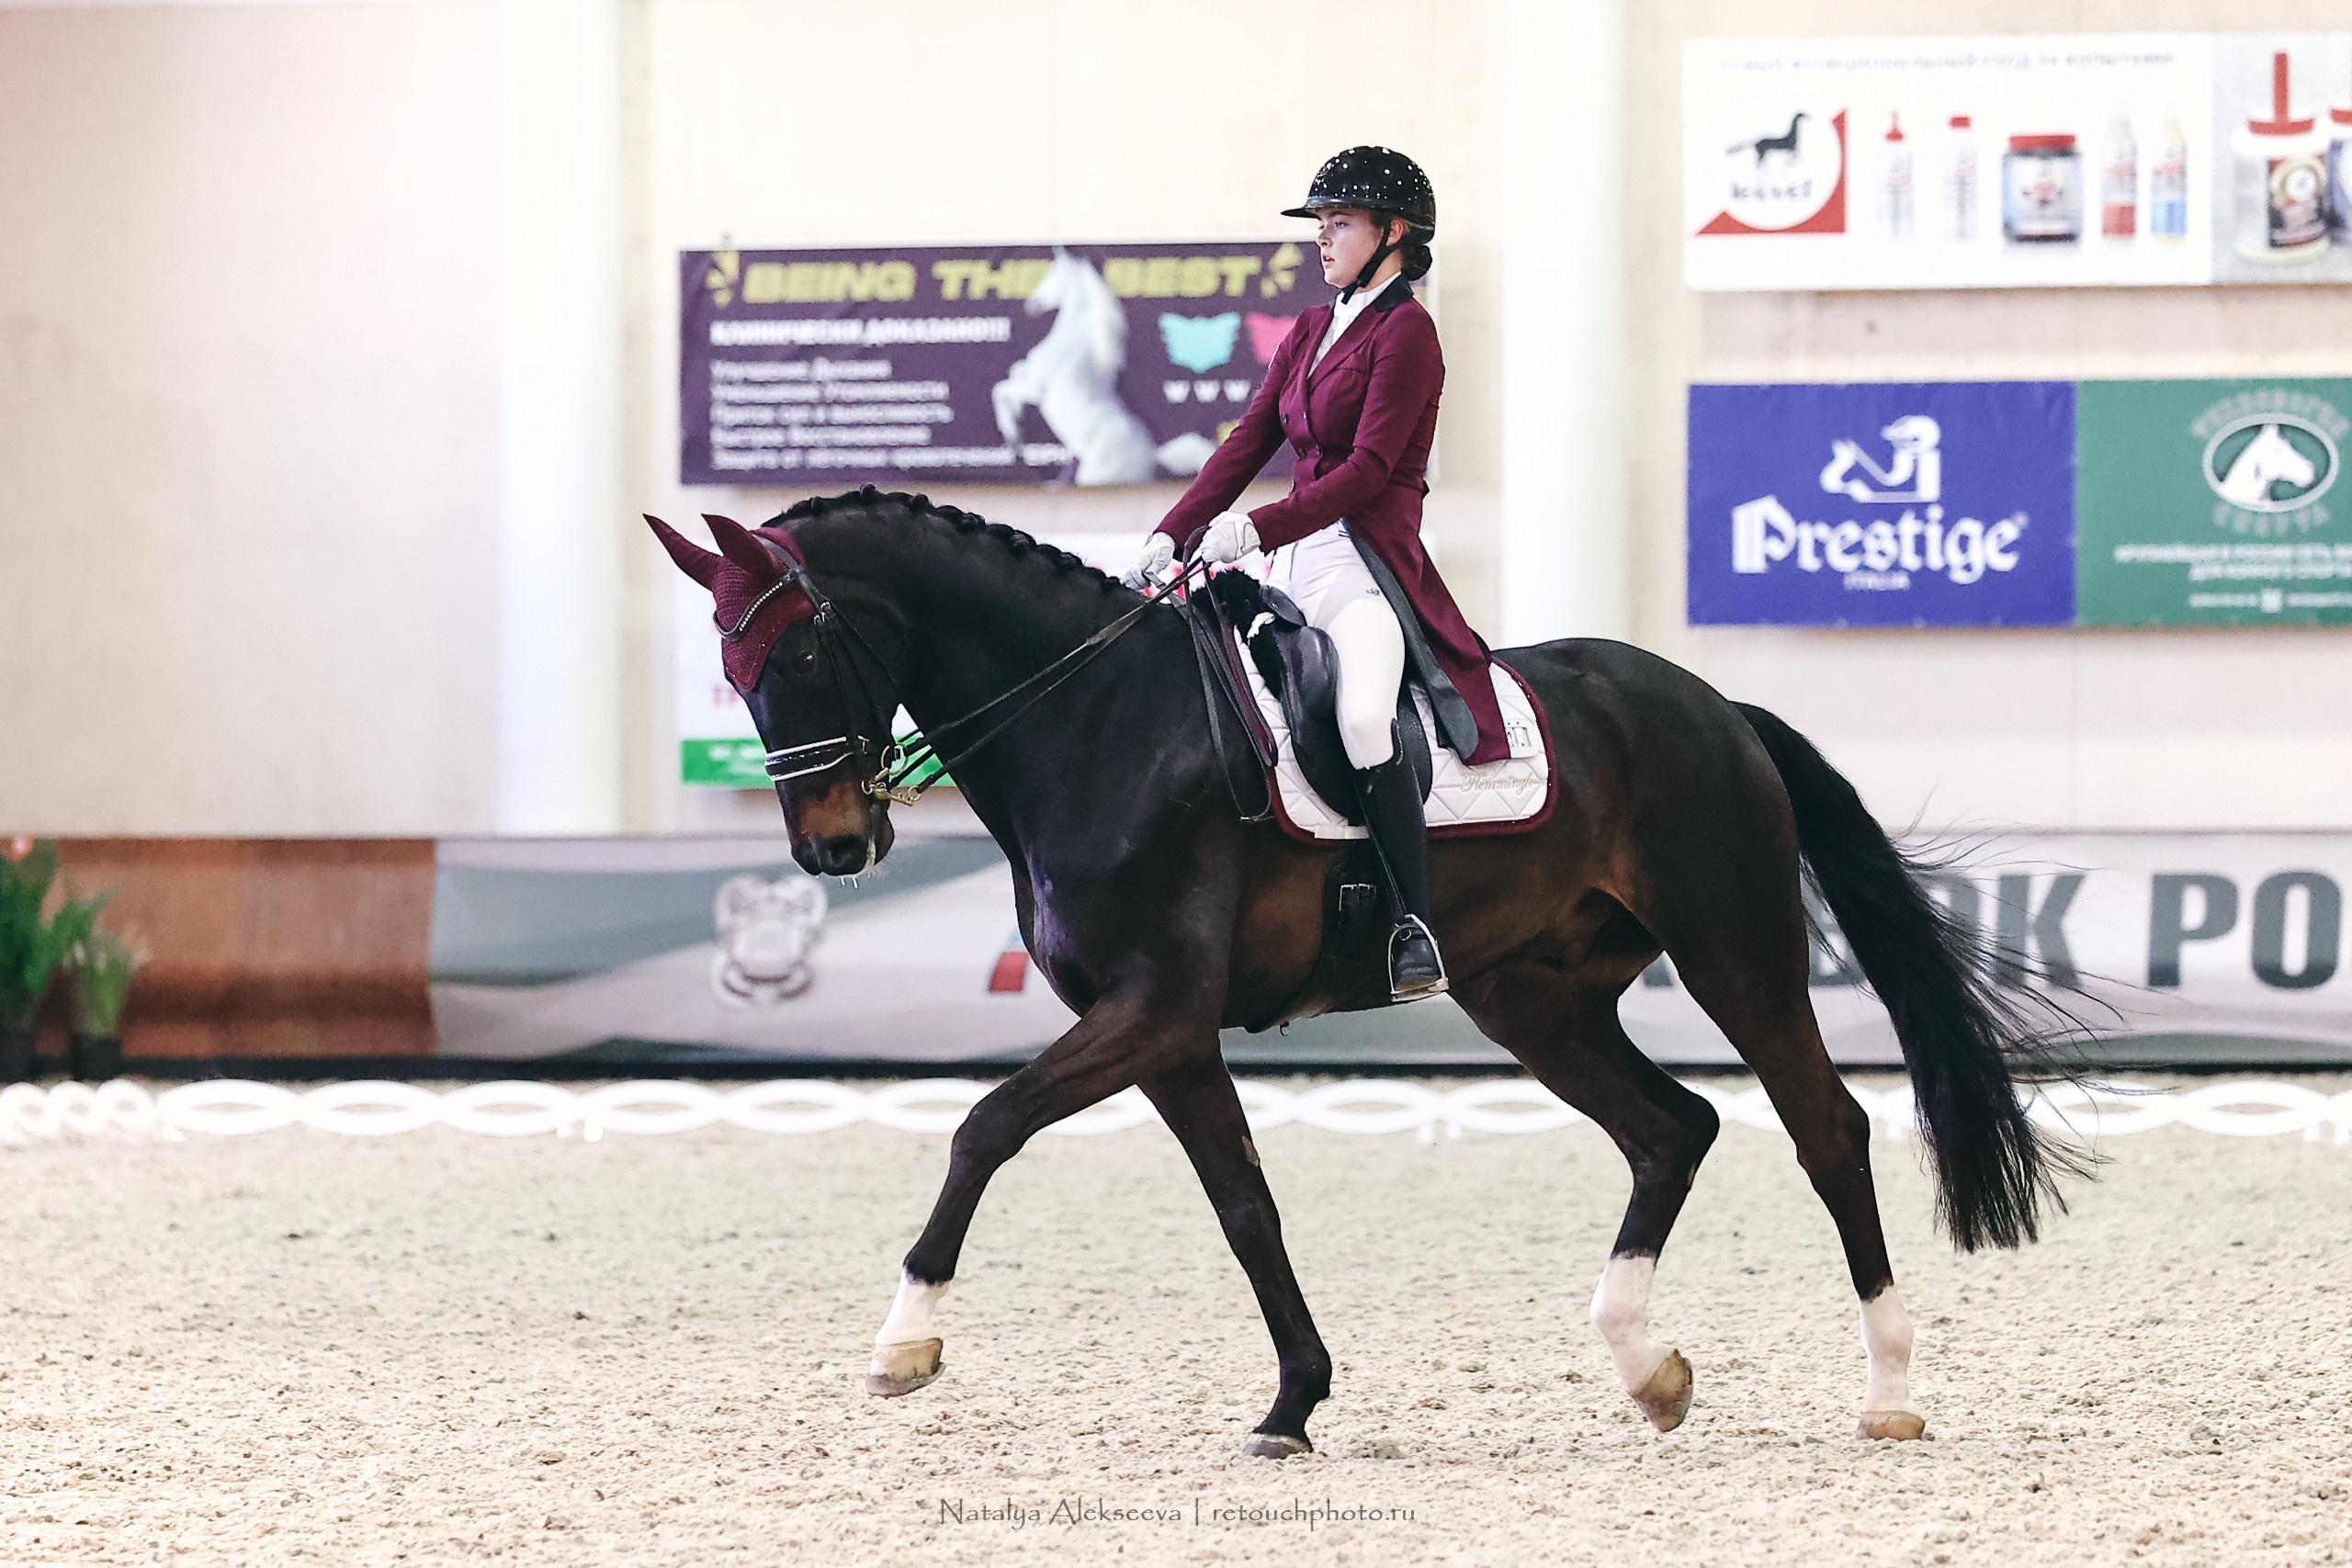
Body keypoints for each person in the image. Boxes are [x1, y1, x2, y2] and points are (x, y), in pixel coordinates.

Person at [1125, 146, 1510, 1003]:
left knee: (1366, 717)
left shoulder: (1409, 332)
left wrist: (1254, 527)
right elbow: (1247, 442)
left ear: (1393, 234)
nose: (1323, 241)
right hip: (1292, 558)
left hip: (1364, 564)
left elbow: (1370, 470)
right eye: (1323, 225)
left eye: (1340, 224)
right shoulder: (1309, 327)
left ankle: (1417, 924)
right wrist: (1172, 531)